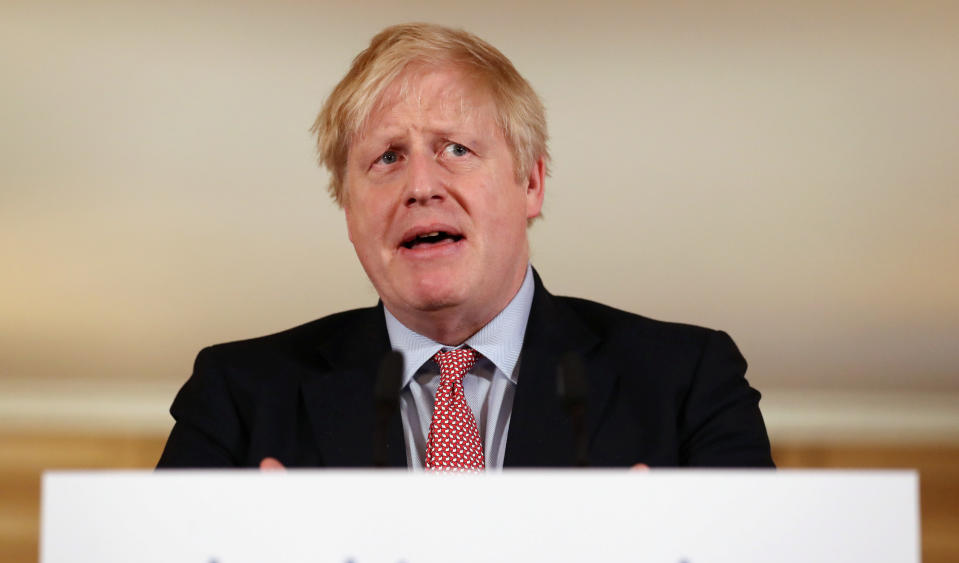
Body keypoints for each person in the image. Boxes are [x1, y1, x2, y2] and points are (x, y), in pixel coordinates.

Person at [157, 23, 773, 470]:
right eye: (387, 157)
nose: (421, 186)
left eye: (456, 149)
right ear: (348, 210)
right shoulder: (237, 396)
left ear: (530, 182)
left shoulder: (686, 382)